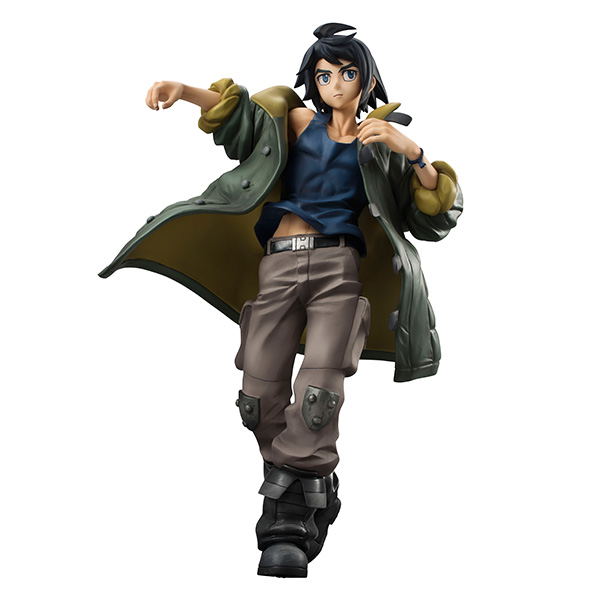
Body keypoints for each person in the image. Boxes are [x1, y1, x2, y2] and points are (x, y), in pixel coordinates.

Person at [100, 22, 463, 578]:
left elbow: (435, 216)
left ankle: (286, 520)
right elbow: (243, 117)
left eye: (346, 73)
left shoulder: (381, 146)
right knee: (256, 398)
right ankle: (314, 478)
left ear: (366, 80)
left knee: (318, 394)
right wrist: (185, 91)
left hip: (339, 270)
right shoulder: (295, 121)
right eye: (324, 74)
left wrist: (412, 152)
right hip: (278, 265)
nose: (334, 83)